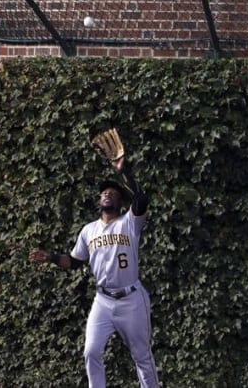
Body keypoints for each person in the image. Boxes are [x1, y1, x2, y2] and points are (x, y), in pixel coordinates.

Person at [29, 154, 159, 388]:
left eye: (113, 192)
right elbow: (75, 261)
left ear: (120, 202)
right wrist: (50, 257)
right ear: (99, 200)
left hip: (132, 299)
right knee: (91, 351)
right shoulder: (88, 231)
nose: (107, 193)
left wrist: (123, 171)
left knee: (142, 356)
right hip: (103, 300)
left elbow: (140, 199)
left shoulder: (129, 222)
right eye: (104, 192)